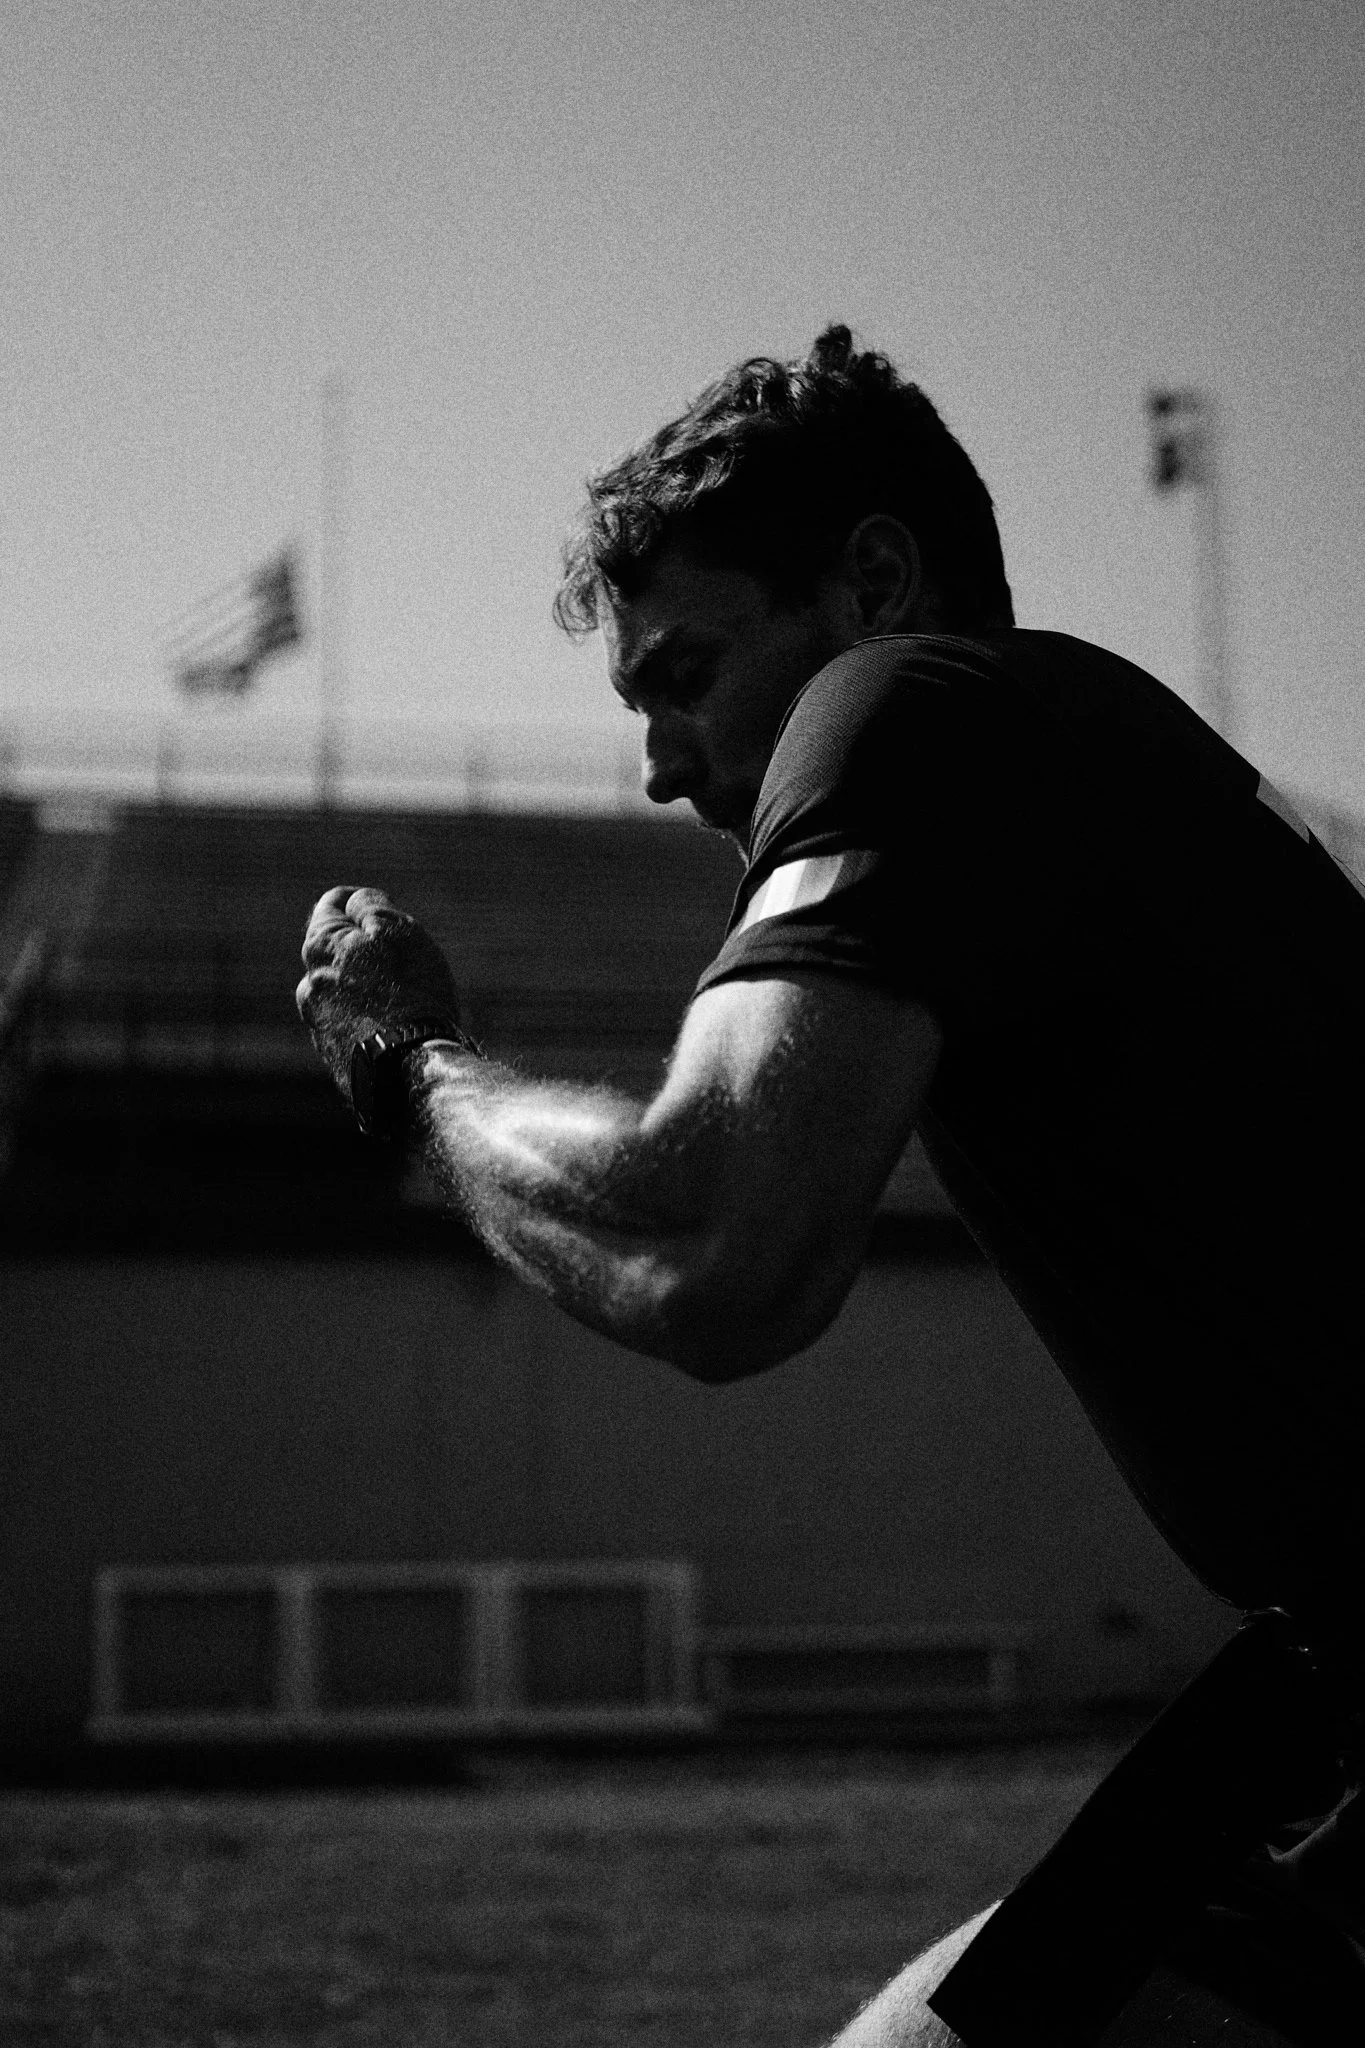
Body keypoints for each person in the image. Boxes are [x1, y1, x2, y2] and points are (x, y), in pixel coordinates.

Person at [297, 325, 1365, 2045]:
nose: (659, 768)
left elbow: (722, 1242)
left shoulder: (904, 701)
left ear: (874, 581)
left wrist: (409, 1073)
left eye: (685, 674)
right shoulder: (1076, 748)